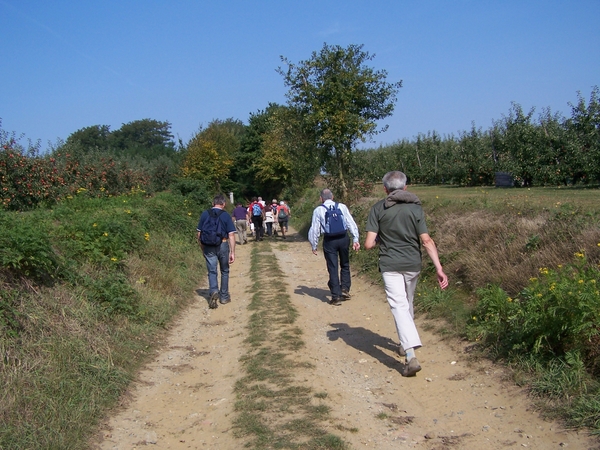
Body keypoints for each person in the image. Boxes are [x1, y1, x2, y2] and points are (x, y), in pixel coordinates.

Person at [364, 171, 448, 377]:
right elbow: (427, 240)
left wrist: (380, 241)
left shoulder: (378, 209)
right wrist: (439, 268)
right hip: (413, 263)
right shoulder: (415, 209)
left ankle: (410, 354)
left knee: (398, 306)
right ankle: (404, 344)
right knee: (407, 303)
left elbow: (368, 244)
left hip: (390, 264)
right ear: (405, 187)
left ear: (385, 189)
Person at [308, 189, 360, 306]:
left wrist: (314, 245)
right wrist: (355, 239)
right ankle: (345, 288)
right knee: (345, 264)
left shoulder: (318, 210)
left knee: (333, 267)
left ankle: (335, 295)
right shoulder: (342, 206)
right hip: (343, 238)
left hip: (329, 240)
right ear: (332, 197)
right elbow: (350, 222)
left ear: (321, 199)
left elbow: (315, 229)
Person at [197, 194, 237, 309]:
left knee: (212, 271)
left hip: (208, 246)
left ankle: (214, 290)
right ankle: (224, 297)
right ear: (223, 204)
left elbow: (199, 233)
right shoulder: (225, 215)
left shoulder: (205, 214)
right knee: (224, 270)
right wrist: (232, 252)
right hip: (223, 244)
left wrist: (203, 248)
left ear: (213, 203)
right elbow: (231, 235)